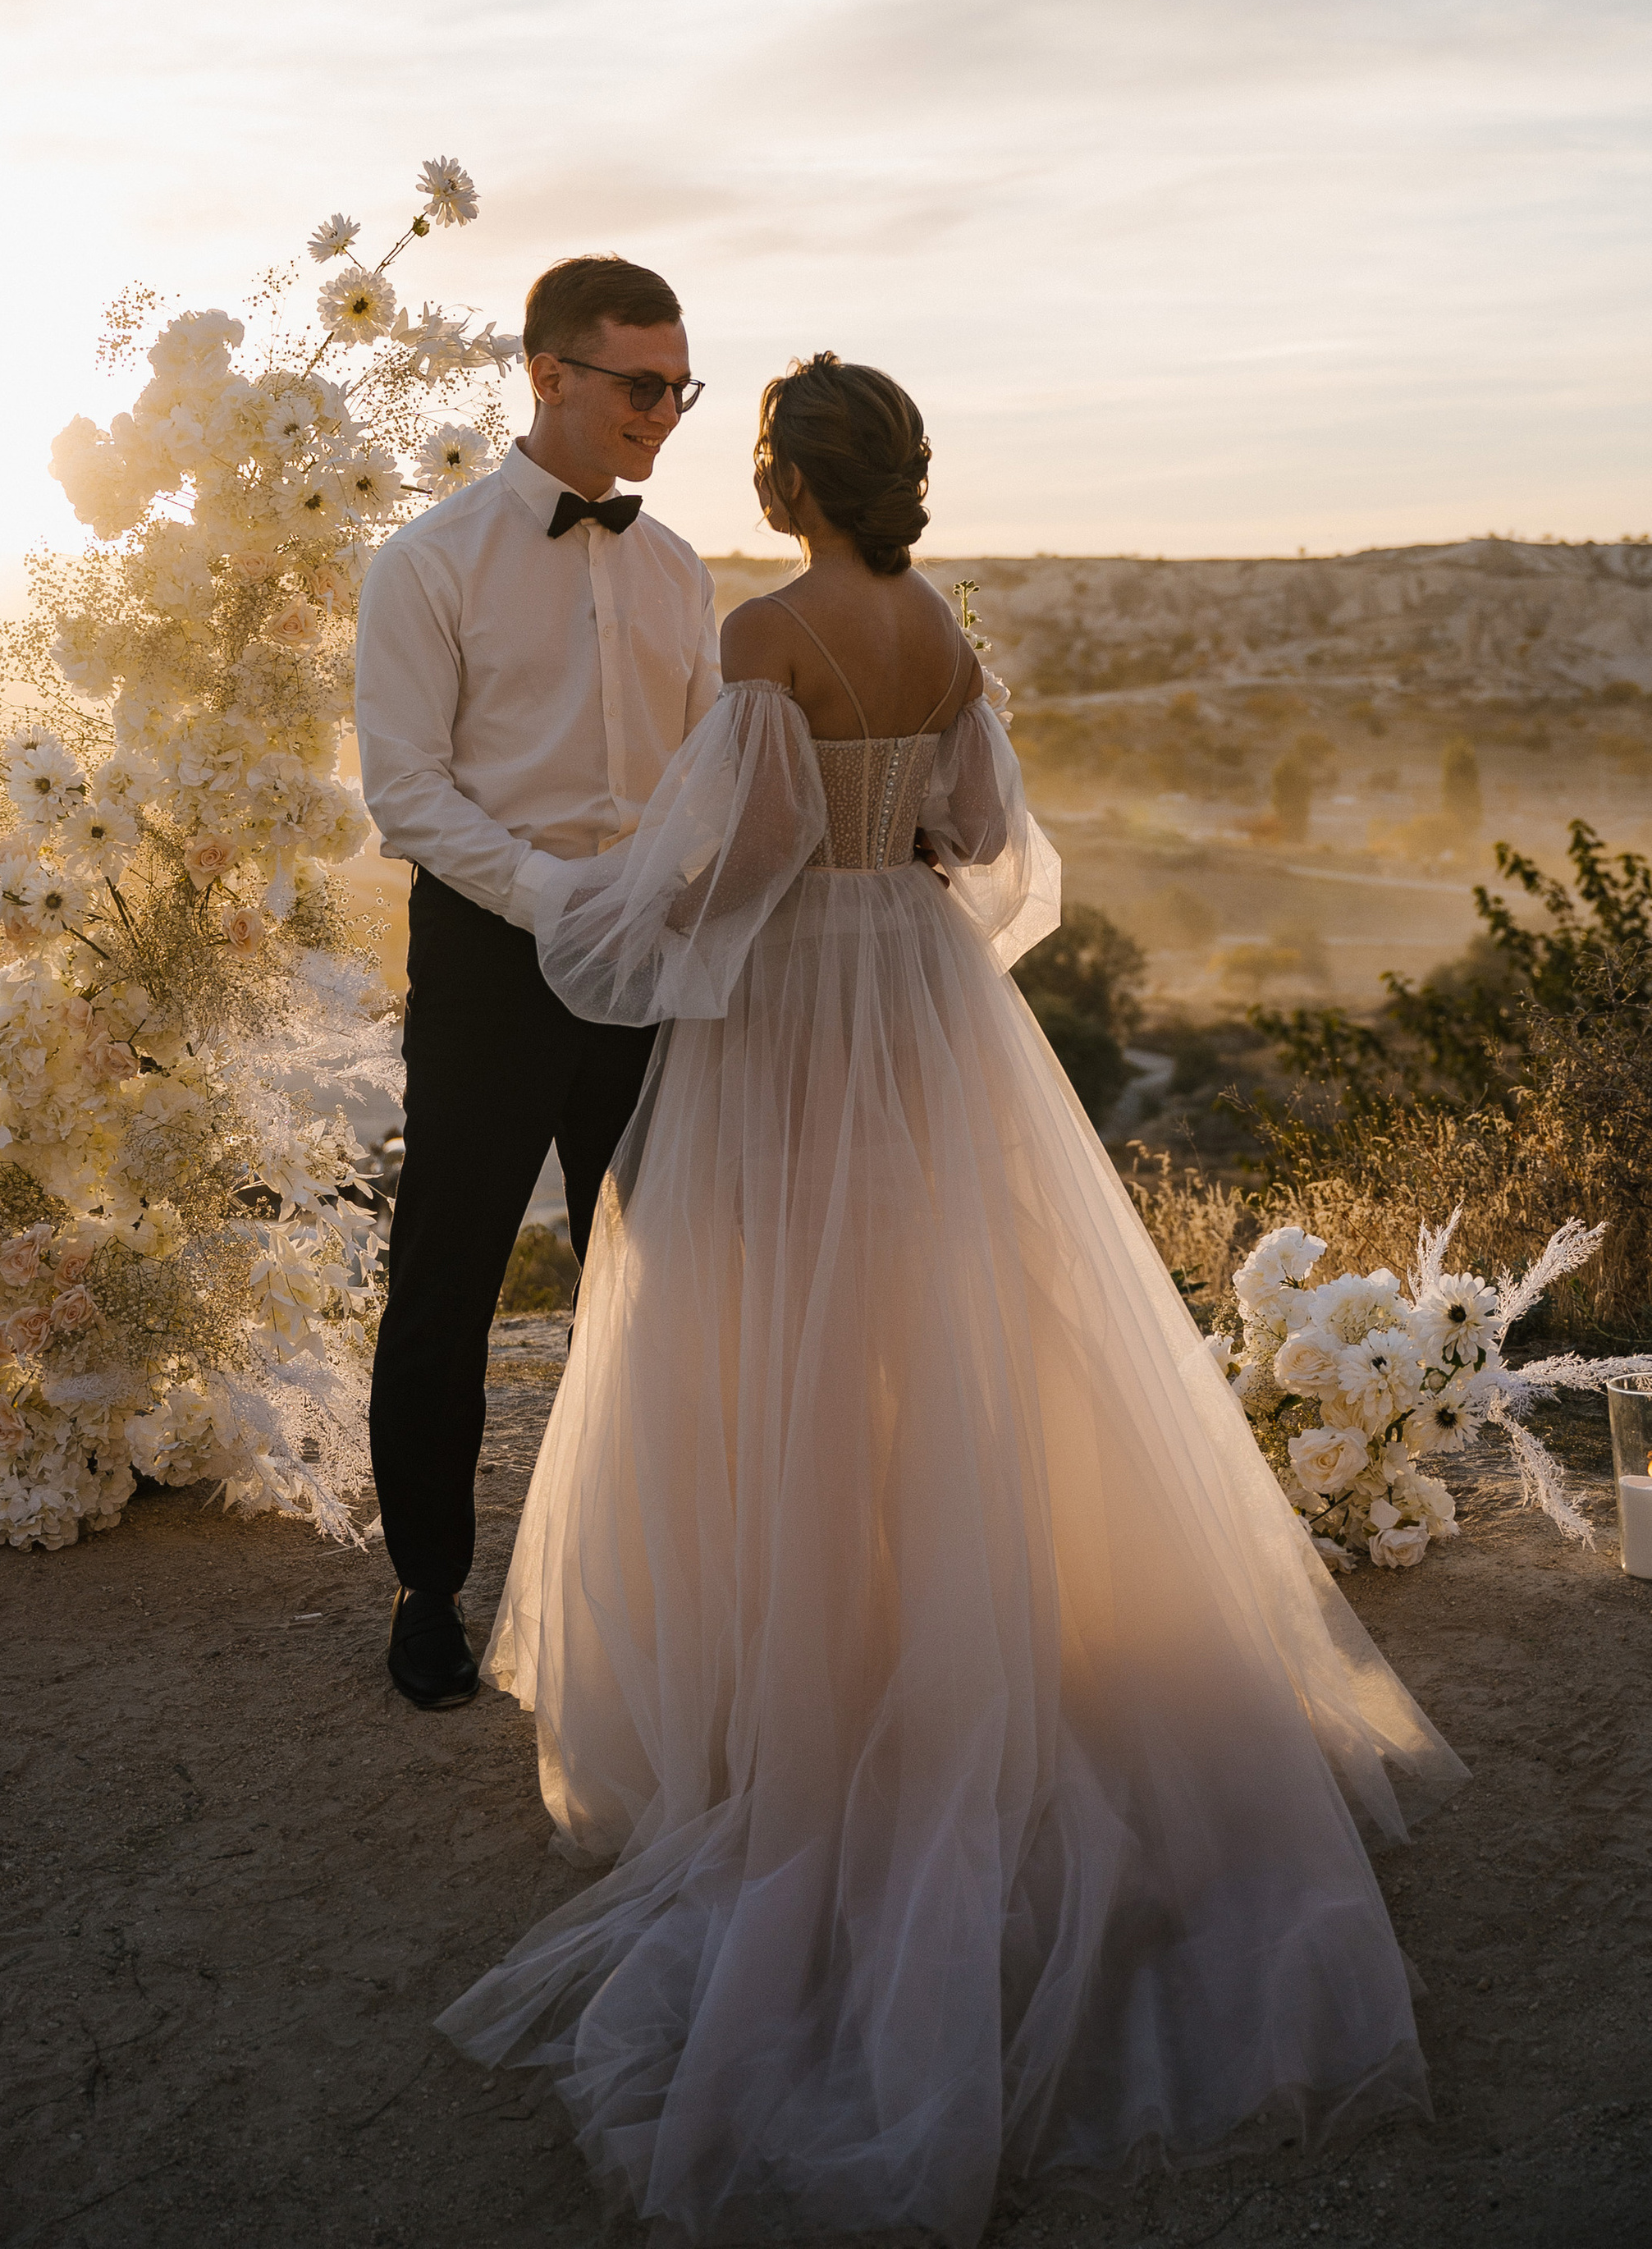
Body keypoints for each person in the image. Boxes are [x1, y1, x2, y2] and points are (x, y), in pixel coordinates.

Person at [439, 354, 1464, 2242]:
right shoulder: (937, 626)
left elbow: (739, 855)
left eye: (748, 448)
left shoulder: (763, 632)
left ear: (784, 475)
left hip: (793, 1012)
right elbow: (984, 839)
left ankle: (808, 1689)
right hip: (920, 996)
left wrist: (630, 894)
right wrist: (882, 832)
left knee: (774, 1345)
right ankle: (942, 1630)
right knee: (939, 1330)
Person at [355, 254, 721, 1712]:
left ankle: (659, 1581)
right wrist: (563, 897)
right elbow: (408, 796)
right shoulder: (426, 564)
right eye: (643, 385)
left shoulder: (679, 567)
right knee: (446, 1277)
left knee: (664, 1274)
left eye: (680, 386)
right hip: (495, 965)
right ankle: (427, 1589)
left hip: (652, 964)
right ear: (550, 374)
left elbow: (705, 771)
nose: (667, 413)